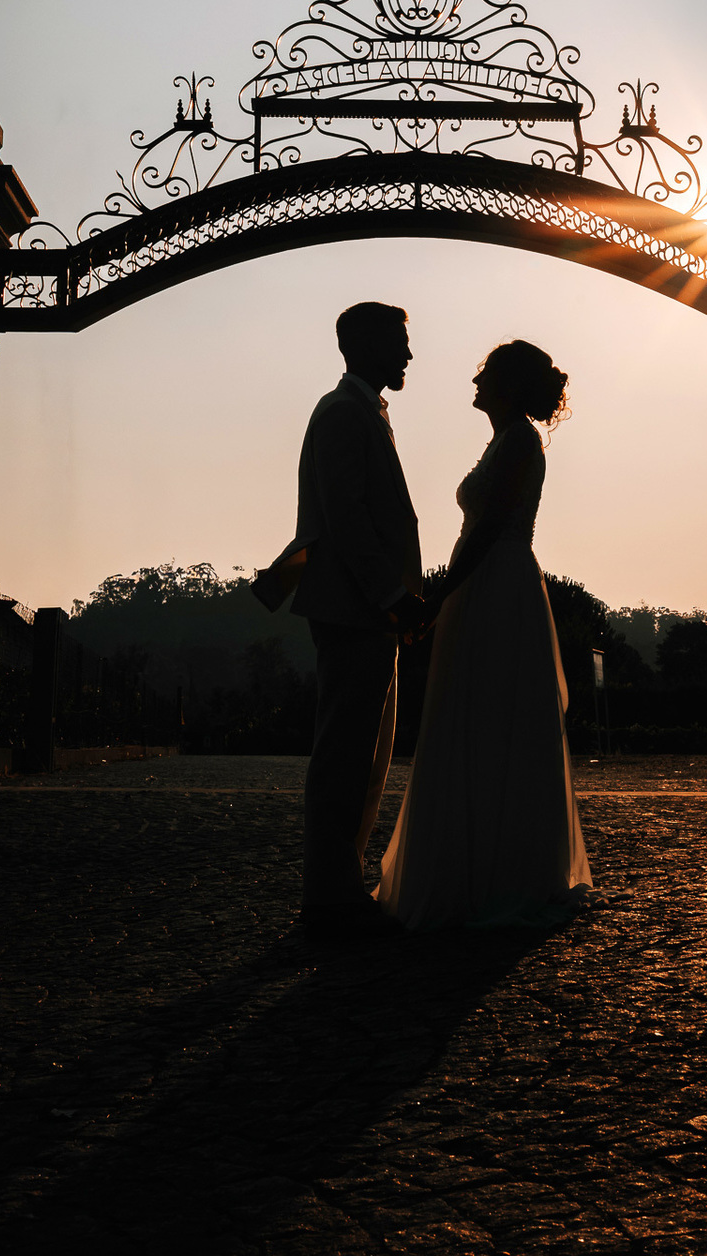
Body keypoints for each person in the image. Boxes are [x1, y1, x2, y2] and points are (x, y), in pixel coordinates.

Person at [375, 340, 592, 930]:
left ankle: (498, 871)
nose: (474, 383)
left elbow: (491, 526)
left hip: (498, 586)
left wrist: (438, 597)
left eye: (485, 375)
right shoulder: (506, 439)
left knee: (490, 717)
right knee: (476, 717)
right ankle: (482, 863)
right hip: (488, 584)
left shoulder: (518, 441)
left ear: (507, 386)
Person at [253, 302, 427, 941]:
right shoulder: (341, 414)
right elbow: (347, 519)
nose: (409, 356)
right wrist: (393, 595)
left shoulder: (360, 412)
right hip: (355, 608)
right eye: (400, 343)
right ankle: (328, 894)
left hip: (368, 609)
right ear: (367, 345)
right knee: (345, 754)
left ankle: (340, 884)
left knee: (366, 754)